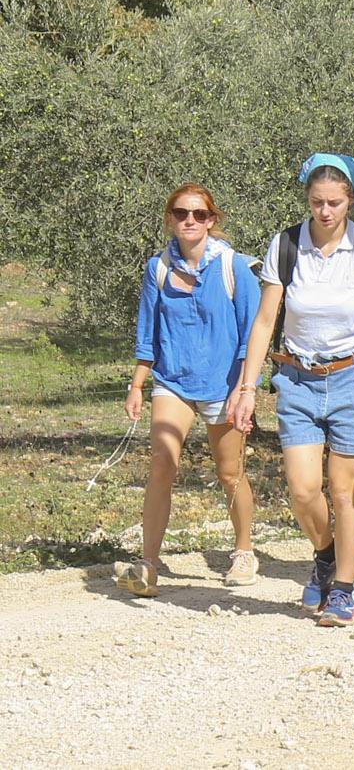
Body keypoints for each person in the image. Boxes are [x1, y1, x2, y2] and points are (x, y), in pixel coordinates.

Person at [228, 154, 354, 628]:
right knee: (304, 491)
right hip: (299, 379)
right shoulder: (285, 245)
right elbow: (265, 321)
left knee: (344, 492)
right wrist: (248, 386)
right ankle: (325, 554)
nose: (325, 212)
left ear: (350, 202)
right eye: (317, 202)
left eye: (335, 203)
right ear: (307, 199)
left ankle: (343, 589)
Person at [115, 185, 261, 598]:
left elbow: (252, 335)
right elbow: (148, 332)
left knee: (229, 472)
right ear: (170, 219)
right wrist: (137, 385)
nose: (189, 221)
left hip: (223, 384)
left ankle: (244, 549)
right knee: (162, 461)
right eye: (181, 213)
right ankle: (147, 563)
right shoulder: (157, 268)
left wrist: (245, 388)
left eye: (199, 214)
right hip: (173, 381)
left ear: (212, 219)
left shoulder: (234, 267)